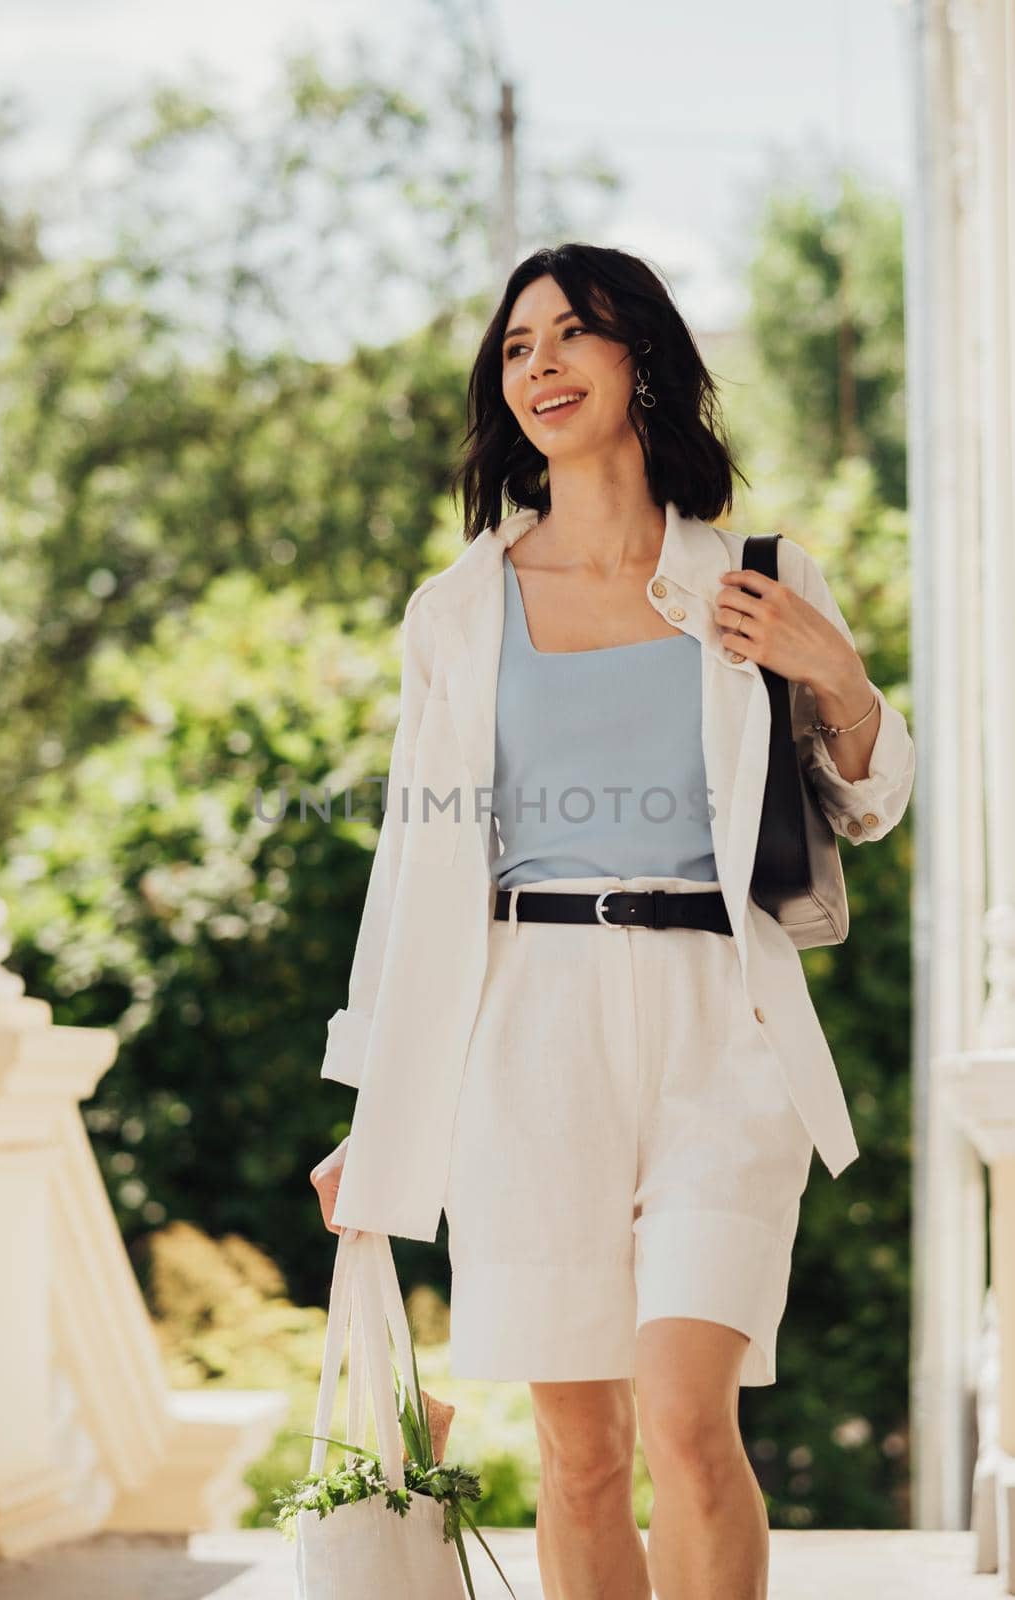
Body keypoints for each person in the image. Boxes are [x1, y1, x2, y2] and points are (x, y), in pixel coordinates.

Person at [310, 242, 915, 1600]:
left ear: (643, 358)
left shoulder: (757, 579)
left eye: (573, 335)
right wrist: (374, 1103)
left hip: (723, 1025)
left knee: (694, 1427)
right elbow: (415, 873)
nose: (542, 366)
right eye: (518, 348)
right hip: (525, 1031)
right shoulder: (458, 615)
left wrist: (841, 672)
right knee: (580, 1454)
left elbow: (866, 802)